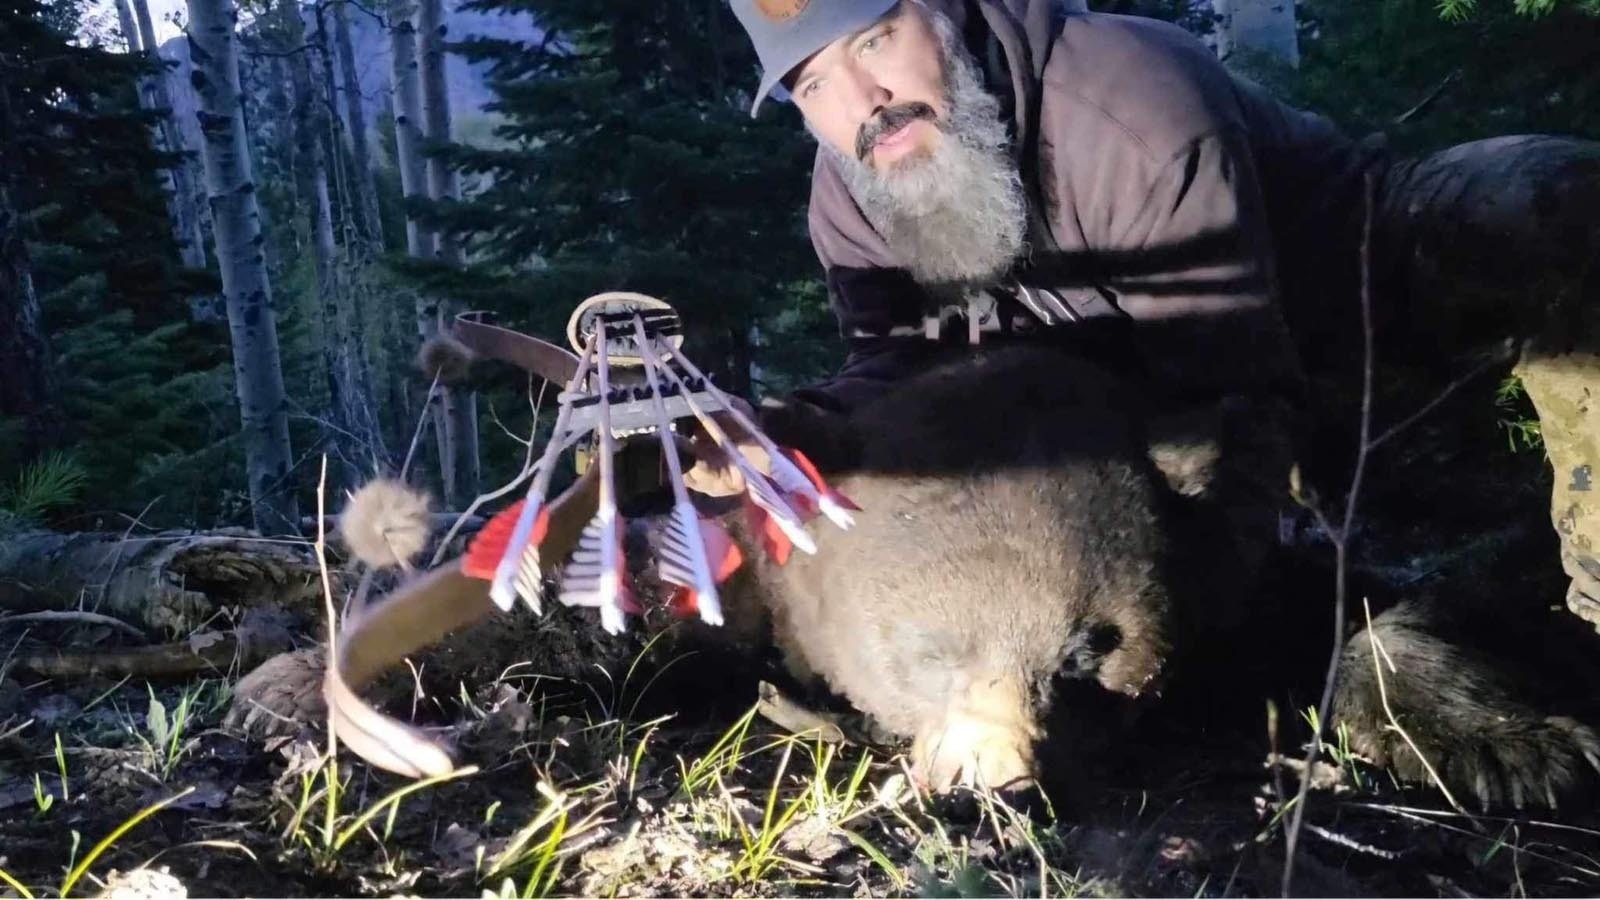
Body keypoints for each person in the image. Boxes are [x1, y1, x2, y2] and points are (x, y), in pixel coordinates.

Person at [700, 0, 1600, 627]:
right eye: (812, 84)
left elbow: (1236, 390)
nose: (861, 102)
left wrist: (1209, 598)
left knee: (1543, 201)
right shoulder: (853, 192)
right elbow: (899, 373)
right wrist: (791, 428)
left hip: (1348, 298)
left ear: (945, 12)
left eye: (876, 38)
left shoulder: (1124, 101)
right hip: (1133, 378)